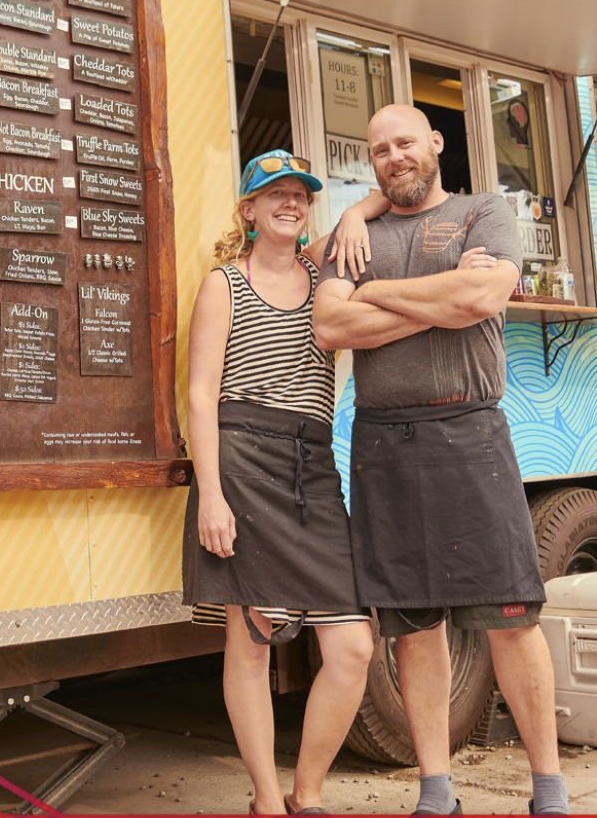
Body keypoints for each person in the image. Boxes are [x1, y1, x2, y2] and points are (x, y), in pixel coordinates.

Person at [313, 104, 567, 816]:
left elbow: (485, 293)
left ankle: (548, 790)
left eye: (404, 142)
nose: (393, 156)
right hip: (384, 442)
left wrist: (381, 298)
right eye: (378, 149)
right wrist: (441, 296)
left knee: (512, 615)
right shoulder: (351, 233)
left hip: (471, 430)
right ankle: (436, 792)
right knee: (413, 627)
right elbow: (331, 323)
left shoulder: (484, 212)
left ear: (435, 143)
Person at [183, 149, 387, 815]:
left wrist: (356, 207)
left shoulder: (324, 273)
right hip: (242, 466)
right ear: (248, 209)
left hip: (312, 467)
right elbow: (200, 397)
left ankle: (309, 793)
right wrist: (210, 495)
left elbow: (389, 191)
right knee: (251, 641)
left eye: (301, 194)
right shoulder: (224, 283)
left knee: (354, 646)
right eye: (274, 192)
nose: (289, 202)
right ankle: (269, 801)